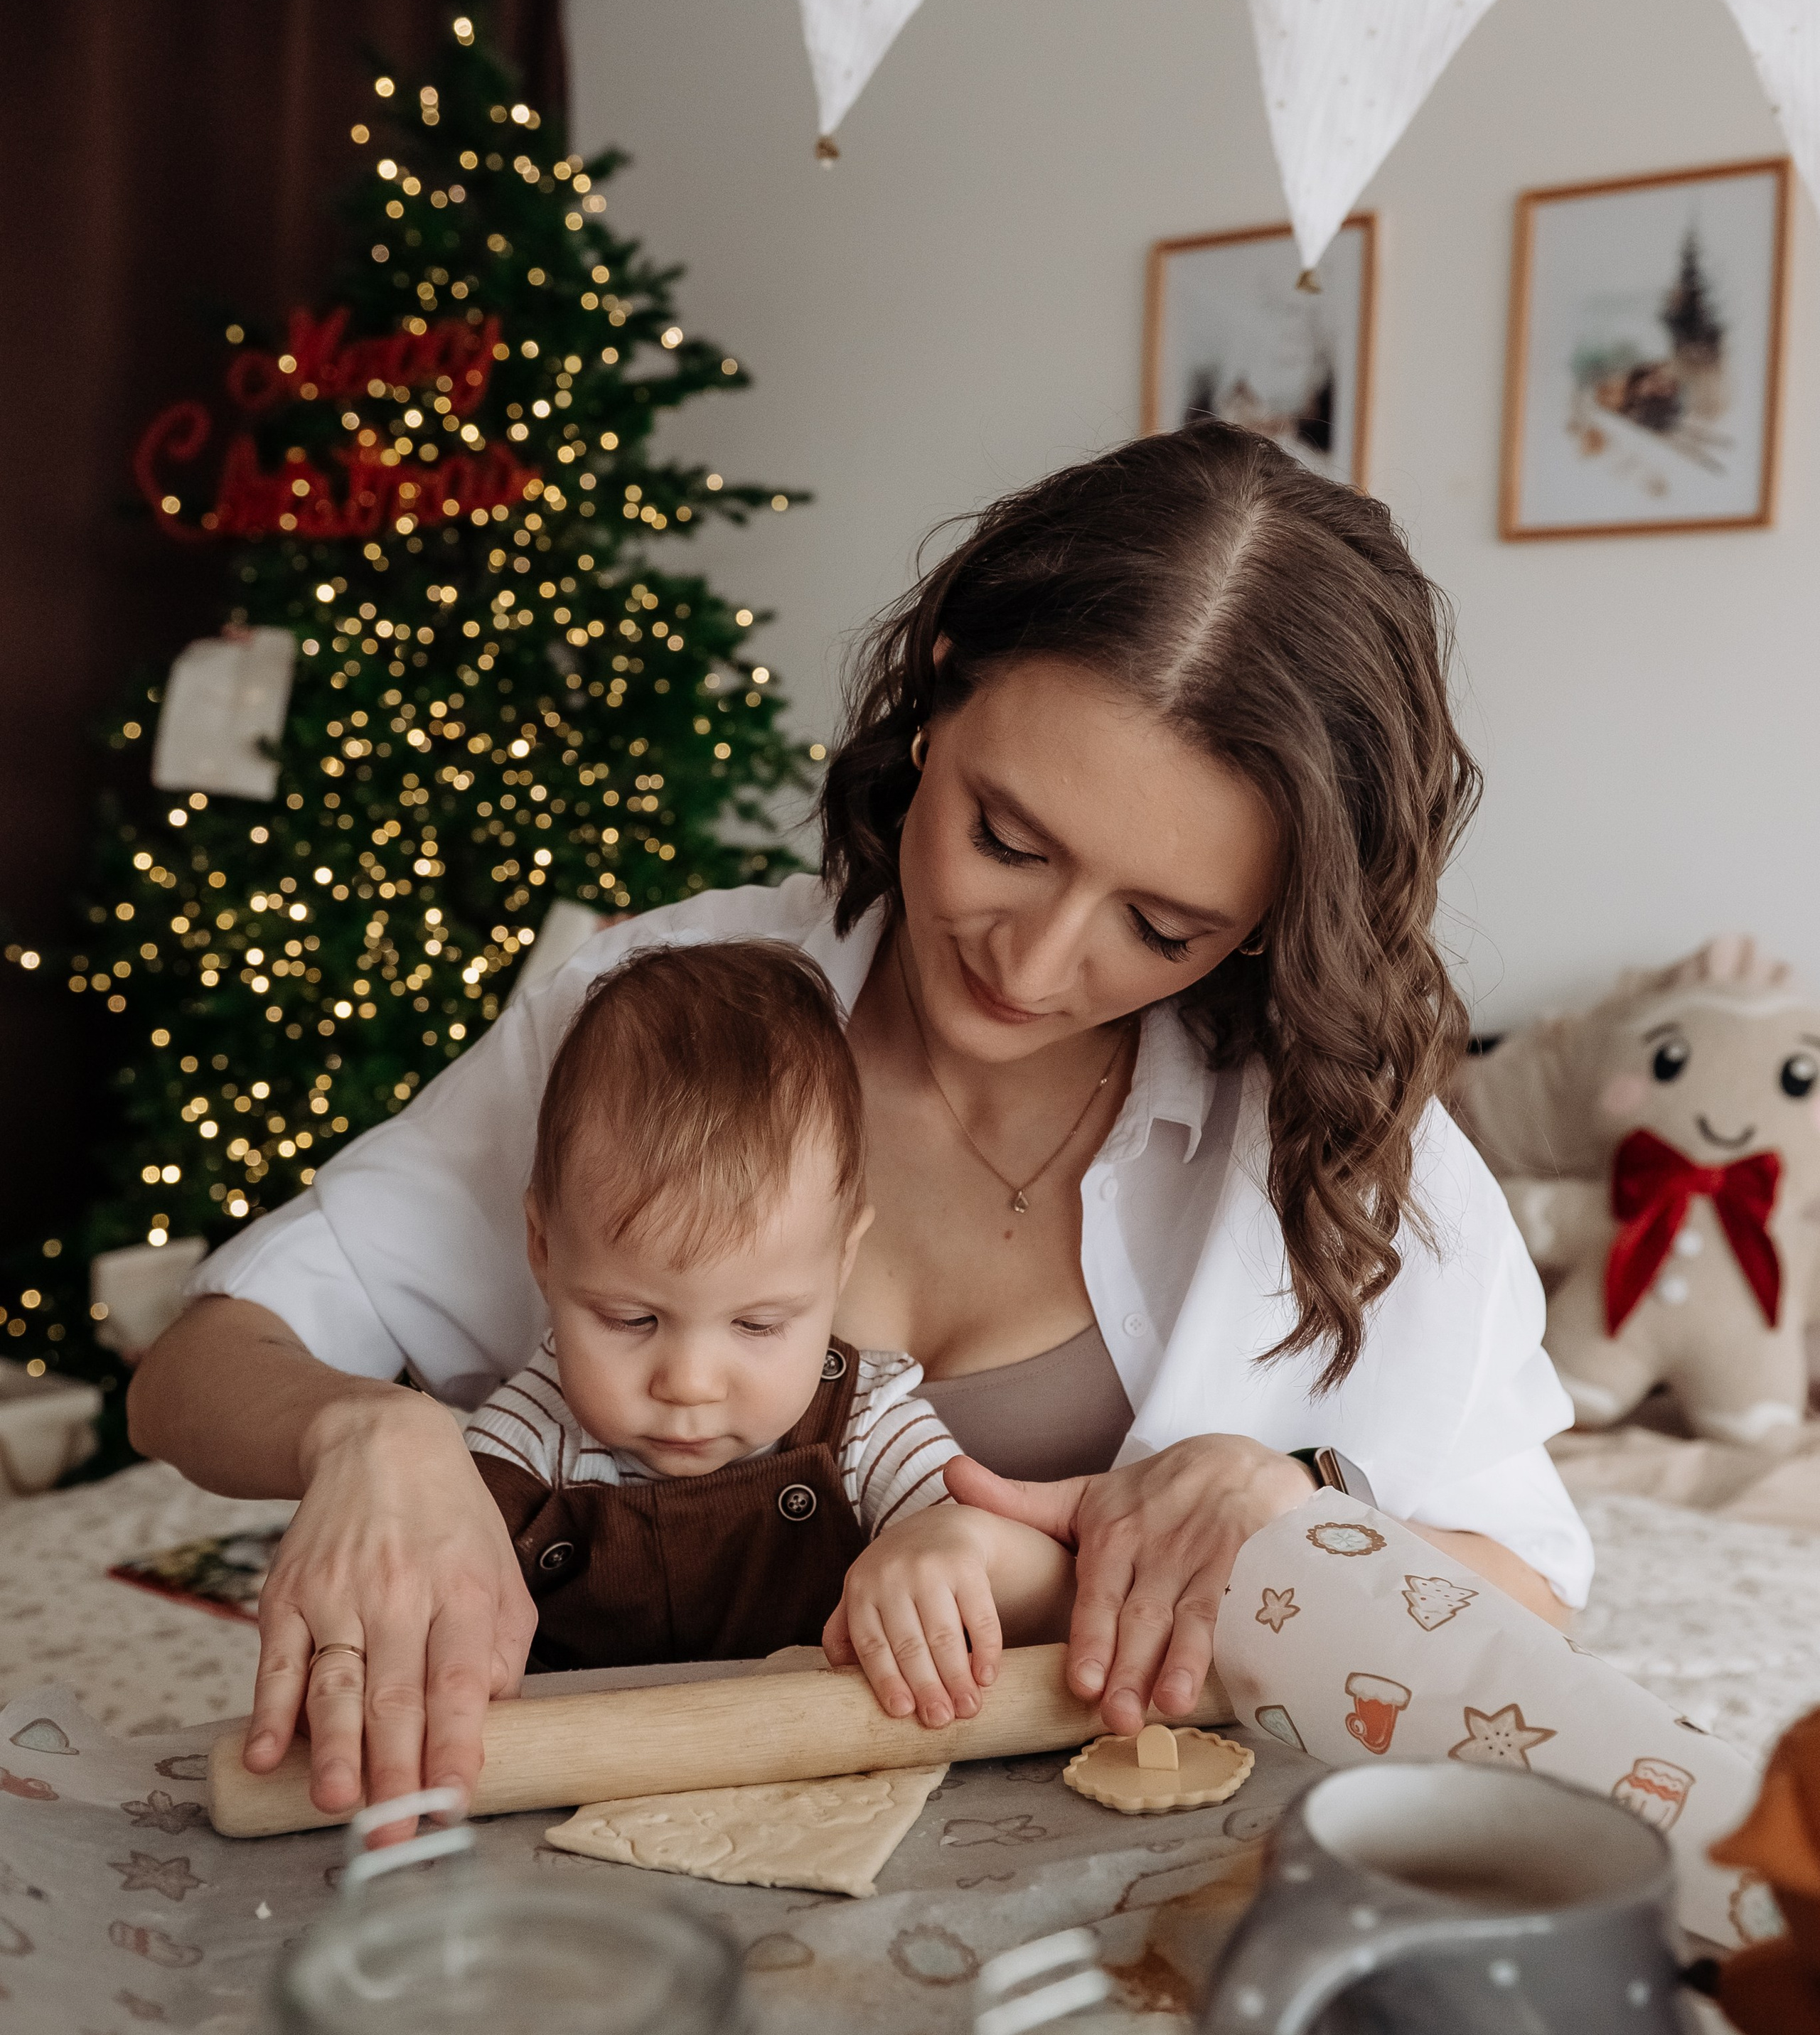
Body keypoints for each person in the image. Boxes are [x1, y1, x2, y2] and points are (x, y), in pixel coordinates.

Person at [129, 422, 1593, 1825]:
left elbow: (1525, 1599)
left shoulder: (1332, 1146)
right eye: (1003, 839)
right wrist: (368, 1436)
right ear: (936, 694)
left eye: (1160, 926)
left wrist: (1291, 1519)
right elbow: (200, 1365)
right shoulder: (657, 1018)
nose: (1029, 965)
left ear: (1277, 917)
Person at [466, 934, 1071, 1696]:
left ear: (842, 1261)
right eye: (630, 1319)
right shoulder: (524, 1442)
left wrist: (955, 1546)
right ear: (544, 1248)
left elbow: (1010, 1563)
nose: (688, 1384)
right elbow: (429, 1568)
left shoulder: (864, 1425)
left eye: (756, 1326)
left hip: (827, 1780)